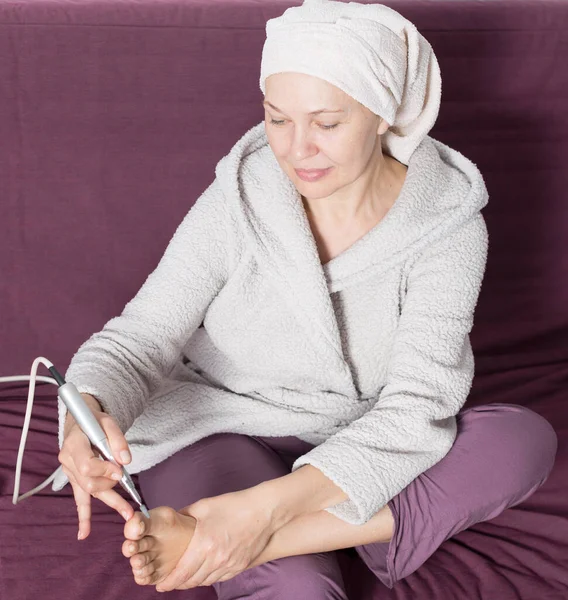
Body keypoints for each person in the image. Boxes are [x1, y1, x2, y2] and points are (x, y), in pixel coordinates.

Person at [56, 0, 558, 597]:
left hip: (359, 437)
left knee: (520, 442)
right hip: (218, 425)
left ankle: (244, 534)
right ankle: (336, 532)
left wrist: (259, 515)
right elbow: (140, 337)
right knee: (301, 593)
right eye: (277, 119)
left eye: (326, 123)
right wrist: (86, 410)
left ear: (382, 114)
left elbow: (420, 404)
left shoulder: (446, 223)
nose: (297, 150)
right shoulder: (242, 195)